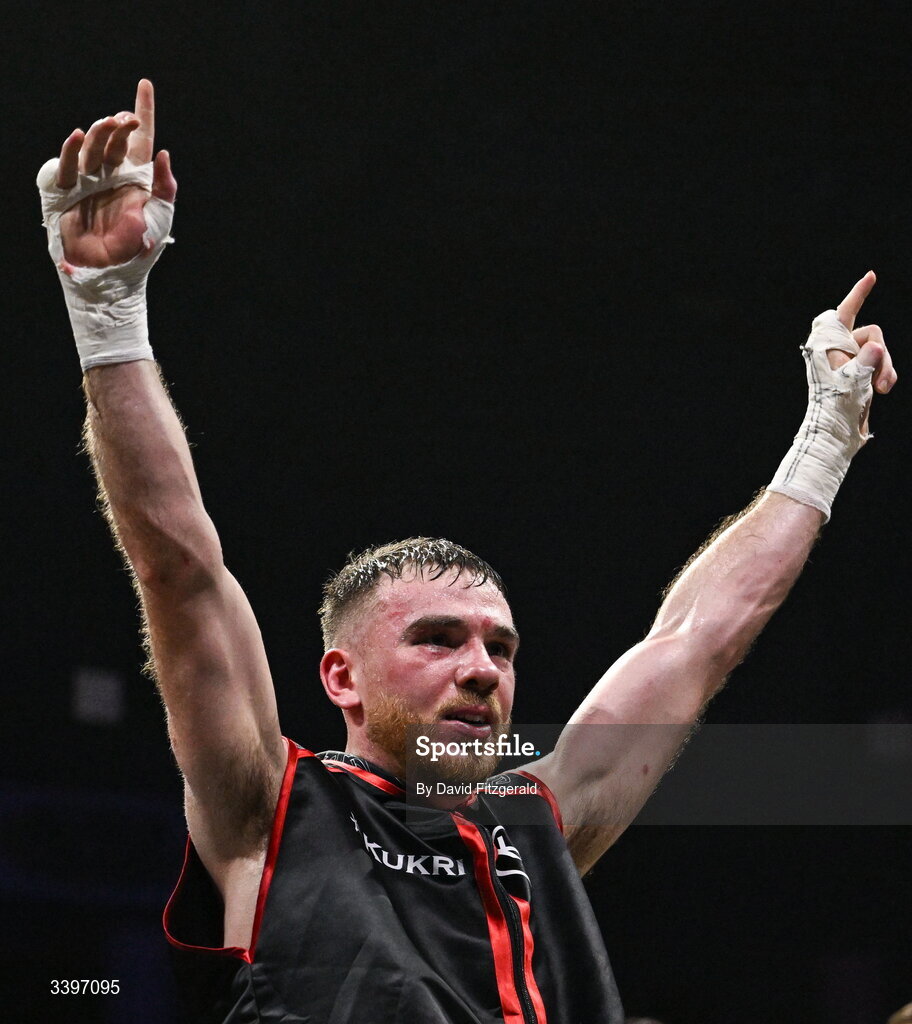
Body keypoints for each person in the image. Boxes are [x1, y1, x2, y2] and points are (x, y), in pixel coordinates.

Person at [37, 80, 897, 1024]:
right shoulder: (269, 807)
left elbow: (695, 639)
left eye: (501, 647)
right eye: (440, 639)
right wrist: (107, 313)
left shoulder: (542, 820)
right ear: (342, 676)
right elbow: (181, 567)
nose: (483, 670)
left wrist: (825, 442)